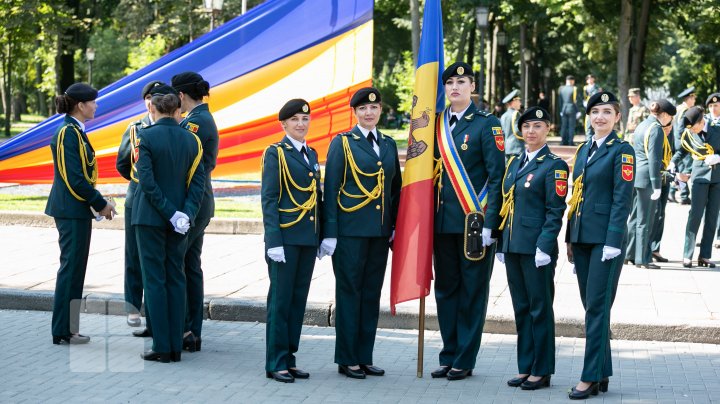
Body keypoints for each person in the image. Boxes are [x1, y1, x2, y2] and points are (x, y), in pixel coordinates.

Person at [430, 62, 505, 381]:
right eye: (450, 83)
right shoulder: (434, 124)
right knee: (446, 291)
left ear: (473, 87)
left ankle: (464, 358)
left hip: (474, 224)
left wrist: (491, 224)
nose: (455, 87)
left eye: (462, 81)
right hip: (442, 222)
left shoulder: (487, 124)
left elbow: (497, 174)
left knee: (473, 291)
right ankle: (448, 354)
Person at [322, 87, 402, 379]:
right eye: (363, 109)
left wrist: (394, 228)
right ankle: (347, 358)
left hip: (379, 234)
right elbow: (330, 190)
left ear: (380, 110)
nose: (369, 113)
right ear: (354, 113)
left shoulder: (389, 144)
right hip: (349, 233)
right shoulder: (343, 143)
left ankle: (364, 356)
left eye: (374, 108)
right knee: (349, 293)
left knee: (370, 294)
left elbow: (395, 190)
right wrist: (329, 233)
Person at [565, 91, 635, 399]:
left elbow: (622, 199)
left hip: (605, 242)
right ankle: (602, 373)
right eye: (595, 111)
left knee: (595, 308)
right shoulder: (583, 150)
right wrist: (570, 237)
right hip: (582, 237)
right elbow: (575, 196)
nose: (600, 117)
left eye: (607, 111)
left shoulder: (623, 150)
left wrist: (613, 240)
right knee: (594, 307)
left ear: (618, 117)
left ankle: (589, 377)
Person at [133, 85, 206, 363]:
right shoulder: (192, 140)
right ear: (178, 111)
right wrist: (183, 214)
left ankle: (162, 345)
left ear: (155, 109)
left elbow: (147, 182)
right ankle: (176, 343)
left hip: (150, 218)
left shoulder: (145, 137)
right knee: (176, 277)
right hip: (181, 221)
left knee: (154, 280)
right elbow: (198, 184)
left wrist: (168, 212)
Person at [497, 107, 568, 391]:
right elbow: (506, 203)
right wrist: (503, 241)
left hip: (536, 250)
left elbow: (555, 211)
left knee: (540, 309)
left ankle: (542, 369)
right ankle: (526, 366)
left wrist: (545, 246)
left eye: (537, 126)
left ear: (548, 129)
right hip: (514, 246)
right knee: (522, 308)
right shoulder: (514, 162)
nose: (531, 131)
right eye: (526, 126)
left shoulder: (554, 165)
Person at [47, 83, 115, 345]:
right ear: (81, 105)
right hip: (70, 210)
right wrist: (99, 203)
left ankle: (68, 328)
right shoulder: (67, 133)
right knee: (71, 270)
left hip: (76, 209)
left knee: (75, 270)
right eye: (93, 102)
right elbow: (73, 178)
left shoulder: (75, 131)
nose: (96, 106)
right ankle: (63, 330)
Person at [261, 99, 322, 383]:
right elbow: (270, 199)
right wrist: (273, 240)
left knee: (298, 302)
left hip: (306, 239)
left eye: (305, 119)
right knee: (281, 302)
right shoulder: (276, 153)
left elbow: (316, 199)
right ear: (283, 124)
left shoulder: (311, 153)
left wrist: (319, 236)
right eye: (295, 119)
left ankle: (290, 357)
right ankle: (275, 361)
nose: (301, 124)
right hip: (284, 239)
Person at [171, 72, 219, 353]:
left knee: (178, 264)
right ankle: (191, 330)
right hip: (199, 202)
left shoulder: (195, 122)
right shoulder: (198, 118)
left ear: (179, 96)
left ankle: (184, 328)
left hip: (195, 204)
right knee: (190, 264)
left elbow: (181, 159)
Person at [116, 80, 165, 333]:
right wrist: (140, 182)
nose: (152, 101)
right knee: (133, 255)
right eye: (149, 97)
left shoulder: (173, 125)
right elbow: (123, 163)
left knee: (156, 258)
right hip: (137, 198)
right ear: (145, 101)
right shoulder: (135, 128)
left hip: (164, 199)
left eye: (157, 97)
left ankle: (154, 311)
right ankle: (133, 307)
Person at [624, 100, 676, 269]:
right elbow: (654, 159)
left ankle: (629, 254)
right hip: (648, 177)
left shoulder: (642, 125)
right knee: (646, 219)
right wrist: (656, 185)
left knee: (634, 218)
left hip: (637, 175)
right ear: (666, 115)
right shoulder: (656, 129)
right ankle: (643, 258)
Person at [671, 101, 720, 268]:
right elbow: (682, 150)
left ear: (701, 122)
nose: (692, 131)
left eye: (694, 127)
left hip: (717, 177)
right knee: (695, 215)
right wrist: (673, 162)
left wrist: (719, 157)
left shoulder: (717, 128)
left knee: (712, 217)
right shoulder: (689, 133)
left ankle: (705, 255)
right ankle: (687, 254)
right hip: (699, 177)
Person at [670, 87, 696, 205]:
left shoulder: (678, 109)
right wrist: (686, 141)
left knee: (679, 168)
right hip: (683, 143)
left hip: (676, 142)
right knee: (686, 169)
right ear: (689, 98)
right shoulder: (686, 110)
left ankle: (672, 190)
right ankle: (684, 195)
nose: (694, 100)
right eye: (693, 97)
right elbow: (682, 128)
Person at [500, 89, 524, 160]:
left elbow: (502, 133)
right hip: (516, 147)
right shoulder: (516, 114)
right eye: (519, 101)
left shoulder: (504, 115)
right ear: (514, 102)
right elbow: (517, 131)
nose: (520, 103)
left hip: (507, 148)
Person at [558, 75, 581, 146]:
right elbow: (576, 101)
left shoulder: (561, 89)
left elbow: (560, 101)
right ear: (572, 81)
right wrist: (578, 111)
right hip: (572, 109)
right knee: (571, 126)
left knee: (564, 126)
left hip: (563, 109)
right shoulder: (574, 89)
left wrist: (561, 110)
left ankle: (563, 141)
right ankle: (570, 141)